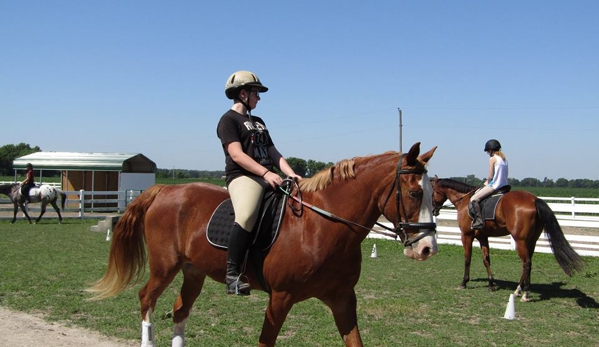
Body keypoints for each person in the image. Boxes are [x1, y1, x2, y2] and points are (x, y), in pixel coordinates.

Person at [217, 70, 302, 295]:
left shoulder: (260, 122)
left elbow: (273, 152)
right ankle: (232, 275)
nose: (259, 98)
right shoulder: (228, 120)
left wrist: (291, 174)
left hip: (268, 174)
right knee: (245, 215)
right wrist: (265, 174)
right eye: (256, 93)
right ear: (243, 93)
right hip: (244, 176)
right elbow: (236, 154)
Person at [470, 139, 509, 229]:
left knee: (473, 199)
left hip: (495, 186)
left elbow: (490, 176)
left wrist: (486, 182)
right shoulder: (504, 159)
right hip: (505, 185)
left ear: (491, 150)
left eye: (488, 151)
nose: (487, 153)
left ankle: (479, 221)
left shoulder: (492, 159)